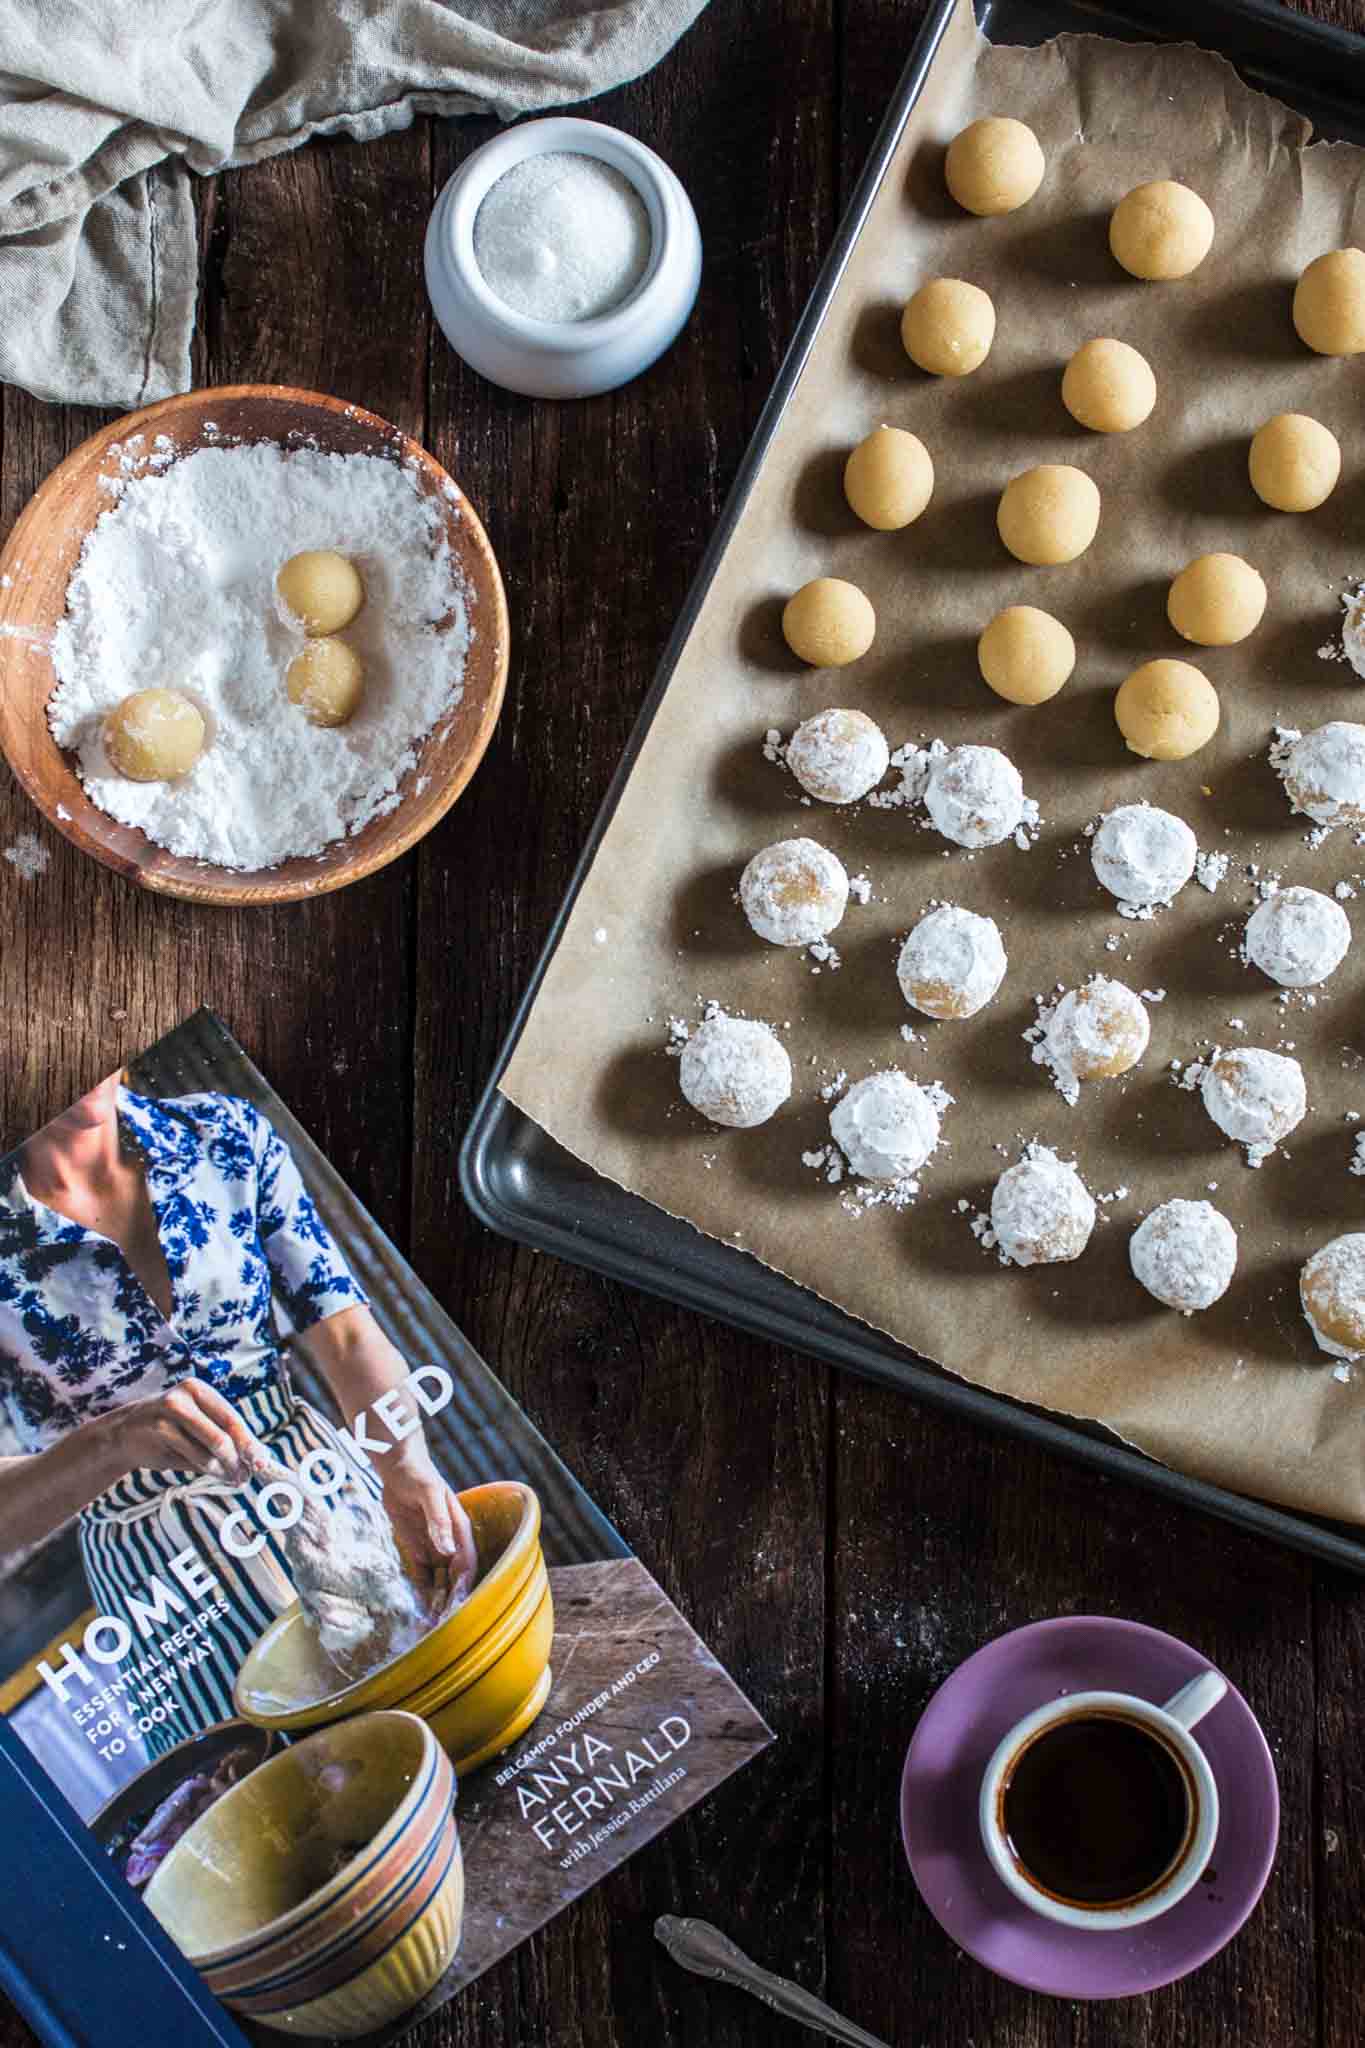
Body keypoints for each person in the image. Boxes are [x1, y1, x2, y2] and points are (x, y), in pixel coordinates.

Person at [0, 1072, 476, 1753]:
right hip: (161, 1573)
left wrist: (405, 1463)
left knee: (447, 1717)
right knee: (302, 1814)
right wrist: (116, 1441)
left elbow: (343, 1333)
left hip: (319, 1488)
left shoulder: (221, 1133)